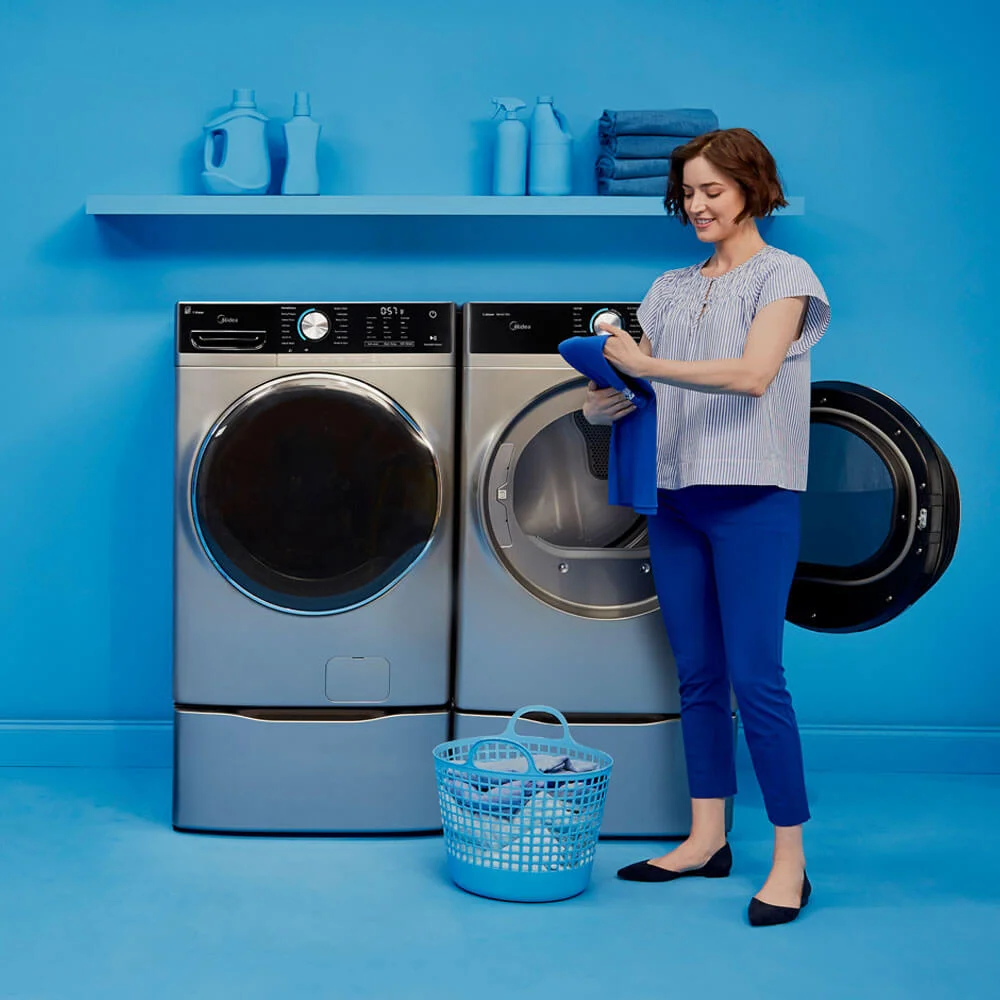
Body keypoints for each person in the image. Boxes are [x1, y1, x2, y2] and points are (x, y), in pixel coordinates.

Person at [583, 127, 830, 926]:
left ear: (752, 189)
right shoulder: (666, 287)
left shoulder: (786, 277)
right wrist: (608, 398)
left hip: (755, 496)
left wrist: (647, 366)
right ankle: (705, 838)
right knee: (697, 676)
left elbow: (755, 375)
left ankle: (790, 863)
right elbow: (644, 391)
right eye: (687, 193)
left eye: (711, 191)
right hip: (677, 496)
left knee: (757, 679)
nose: (695, 205)